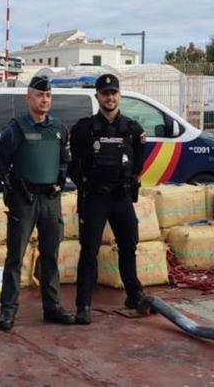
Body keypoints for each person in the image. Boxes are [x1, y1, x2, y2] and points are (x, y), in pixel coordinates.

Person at [0, 75, 76, 330]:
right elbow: (0, 165)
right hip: (24, 201)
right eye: (40, 95)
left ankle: (52, 307)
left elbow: (65, 161)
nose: (44, 100)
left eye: (48, 96)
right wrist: (13, 188)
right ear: (28, 97)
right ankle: (8, 311)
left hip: (50, 200)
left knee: (51, 255)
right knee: (15, 258)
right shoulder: (16, 129)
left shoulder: (58, 128)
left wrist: (60, 181)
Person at [69, 73, 148, 325]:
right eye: (105, 94)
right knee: (89, 251)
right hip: (95, 199)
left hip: (121, 197)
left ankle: (134, 295)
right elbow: (74, 165)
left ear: (119, 95)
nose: (109, 97)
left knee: (128, 246)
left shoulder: (133, 129)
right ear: (97, 97)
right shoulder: (83, 129)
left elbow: (139, 163)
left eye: (113, 93)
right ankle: (83, 305)